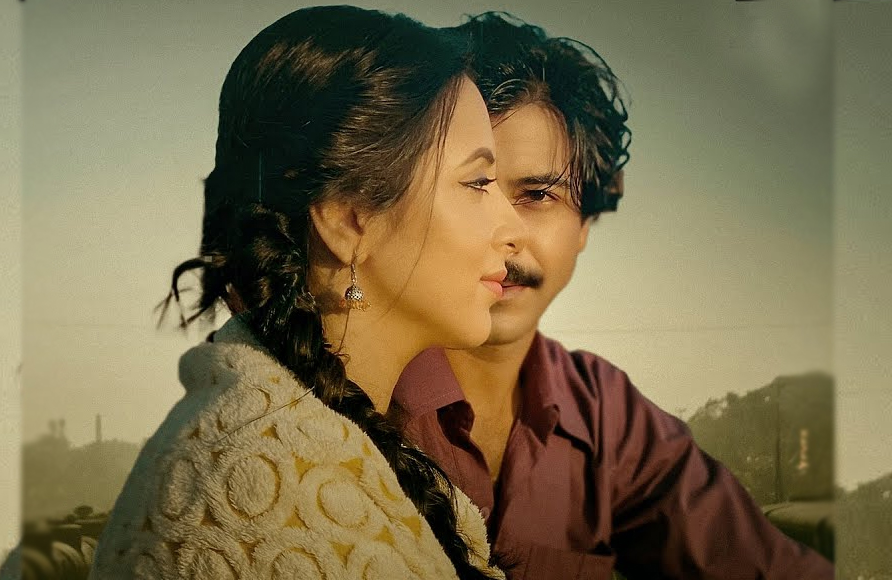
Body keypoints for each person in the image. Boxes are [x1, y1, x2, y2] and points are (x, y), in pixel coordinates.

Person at [87, 6, 527, 580]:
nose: (513, 228)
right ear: (348, 218)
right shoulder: (270, 498)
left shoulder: (318, 439)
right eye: (478, 183)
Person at [390, 12, 835, 580]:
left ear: (585, 222)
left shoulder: (604, 413)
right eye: (474, 188)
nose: (502, 233)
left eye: (537, 195)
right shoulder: (350, 388)